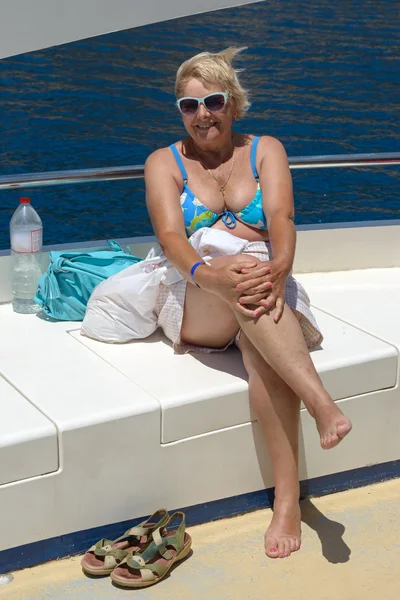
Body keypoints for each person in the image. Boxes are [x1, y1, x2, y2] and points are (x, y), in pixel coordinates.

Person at [144, 47, 352, 560]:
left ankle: (287, 503)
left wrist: (280, 266)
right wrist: (211, 275)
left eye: (212, 102)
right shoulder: (162, 163)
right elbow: (172, 239)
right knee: (245, 287)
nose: (202, 115)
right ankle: (323, 405)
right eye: (188, 106)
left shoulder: (265, 150)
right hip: (198, 287)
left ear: (233, 103)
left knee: (264, 357)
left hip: (264, 278)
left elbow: (281, 217)